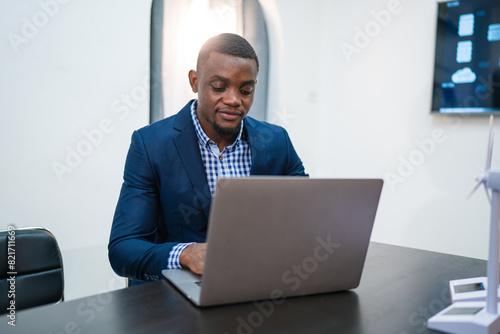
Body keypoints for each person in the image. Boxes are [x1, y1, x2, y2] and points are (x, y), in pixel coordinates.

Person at [108, 33, 307, 284]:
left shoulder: (277, 141)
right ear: (194, 81)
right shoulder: (150, 145)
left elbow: (305, 217)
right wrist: (185, 254)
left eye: (245, 90)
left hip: (257, 285)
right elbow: (123, 248)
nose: (234, 100)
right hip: (175, 297)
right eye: (219, 87)